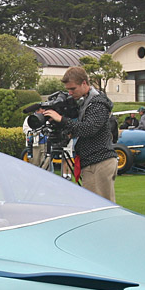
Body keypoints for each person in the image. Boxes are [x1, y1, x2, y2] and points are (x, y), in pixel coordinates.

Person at [42, 66, 118, 202]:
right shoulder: (85, 102)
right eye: (68, 90)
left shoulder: (98, 103)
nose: (70, 93)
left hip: (99, 162)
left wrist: (62, 120)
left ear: (84, 83)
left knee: (99, 208)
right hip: (91, 161)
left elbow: (88, 129)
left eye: (73, 89)